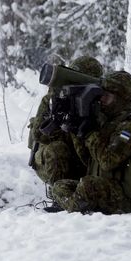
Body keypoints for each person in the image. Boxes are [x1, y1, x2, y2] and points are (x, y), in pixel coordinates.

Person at [50, 70, 131, 214]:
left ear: (121, 98)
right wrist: (78, 132)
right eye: (102, 95)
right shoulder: (111, 120)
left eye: (108, 96)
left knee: (87, 186)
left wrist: (90, 133)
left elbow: (107, 160)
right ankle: (75, 204)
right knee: (59, 186)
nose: (102, 100)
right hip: (107, 186)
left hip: (127, 198)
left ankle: (74, 206)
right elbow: (90, 160)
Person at [27, 56, 104, 186]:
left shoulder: (100, 100)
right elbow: (38, 134)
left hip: (84, 160)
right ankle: (59, 193)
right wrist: (62, 123)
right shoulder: (54, 98)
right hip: (55, 160)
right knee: (57, 150)